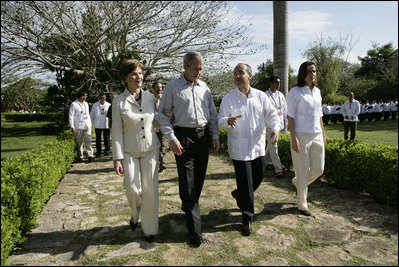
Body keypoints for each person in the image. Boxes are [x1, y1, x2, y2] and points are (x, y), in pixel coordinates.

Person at [158, 51, 220, 247]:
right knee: (187, 181)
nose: (199, 72)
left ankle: (189, 206)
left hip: (202, 139)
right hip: (182, 138)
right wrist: (172, 138)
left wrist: (215, 135)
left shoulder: (204, 87)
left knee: (198, 180)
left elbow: (212, 112)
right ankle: (195, 230)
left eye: (201, 69)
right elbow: (162, 115)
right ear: (184, 66)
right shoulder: (172, 87)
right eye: (196, 68)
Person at [218, 63, 280, 236]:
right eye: (235, 73)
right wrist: (227, 121)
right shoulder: (228, 98)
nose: (237, 76)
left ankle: (240, 194)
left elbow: (272, 115)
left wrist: (275, 128)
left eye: (241, 73)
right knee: (246, 182)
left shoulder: (261, 96)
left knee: (258, 178)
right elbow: (220, 119)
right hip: (239, 149)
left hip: (258, 148)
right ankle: (247, 219)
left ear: (250, 76)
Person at [112, 59, 160, 243]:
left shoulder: (149, 97)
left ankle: (149, 229)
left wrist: (165, 117)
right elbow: (116, 131)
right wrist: (117, 158)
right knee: (133, 189)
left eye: (140, 73)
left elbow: (154, 122)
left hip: (150, 149)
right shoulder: (119, 101)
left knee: (150, 191)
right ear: (125, 77)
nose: (138, 77)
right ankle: (135, 214)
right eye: (133, 74)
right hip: (130, 151)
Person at [287, 61, 326, 217]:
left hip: (316, 134)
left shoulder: (317, 92)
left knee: (319, 169)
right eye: (310, 71)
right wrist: (293, 138)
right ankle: (302, 205)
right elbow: (290, 116)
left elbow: (320, 115)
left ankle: (298, 183)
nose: (313, 74)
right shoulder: (295, 92)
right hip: (301, 135)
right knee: (302, 171)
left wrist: (323, 133)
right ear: (303, 74)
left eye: (315, 71)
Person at [264, 75, 287, 178]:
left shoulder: (281, 95)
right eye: (276, 82)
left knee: (270, 146)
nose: (278, 85)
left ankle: (262, 164)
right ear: (271, 83)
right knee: (274, 146)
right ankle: (278, 169)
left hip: (280, 124)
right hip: (270, 126)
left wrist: (286, 123)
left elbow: (285, 109)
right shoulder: (265, 96)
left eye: (279, 82)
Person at [69, 90, 94, 162]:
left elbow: (87, 114)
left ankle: (90, 155)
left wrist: (90, 124)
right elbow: (71, 116)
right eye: (85, 95)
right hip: (78, 126)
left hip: (86, 125)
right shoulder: (74, 104)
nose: (86, 97)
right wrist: (72, 126)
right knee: (79, 142)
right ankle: (80, 156)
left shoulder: (86, 104)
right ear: (81, 96)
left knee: (88, 141)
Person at [153, 81, 168, 173]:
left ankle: (161, 162)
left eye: (161, 87)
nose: (160, 89)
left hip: (163, 125)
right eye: (158, 87)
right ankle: (160, 162)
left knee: (163, 145)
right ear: (153, 88)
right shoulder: (150, 99)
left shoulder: (165, 99)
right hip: (153, 126)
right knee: (156, 145)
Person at [90, 93, 111, 157]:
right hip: (98, 124)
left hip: (106, 124)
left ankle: (106, 150)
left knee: (106, 138)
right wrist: (90, 123)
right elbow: (92, 114)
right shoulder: (95, 105)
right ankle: (98, 152)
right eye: (101, 98)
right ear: (99, 98)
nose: (102, 99)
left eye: (103, 98)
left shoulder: (109, 105)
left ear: (105, 98)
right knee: (98, 139)